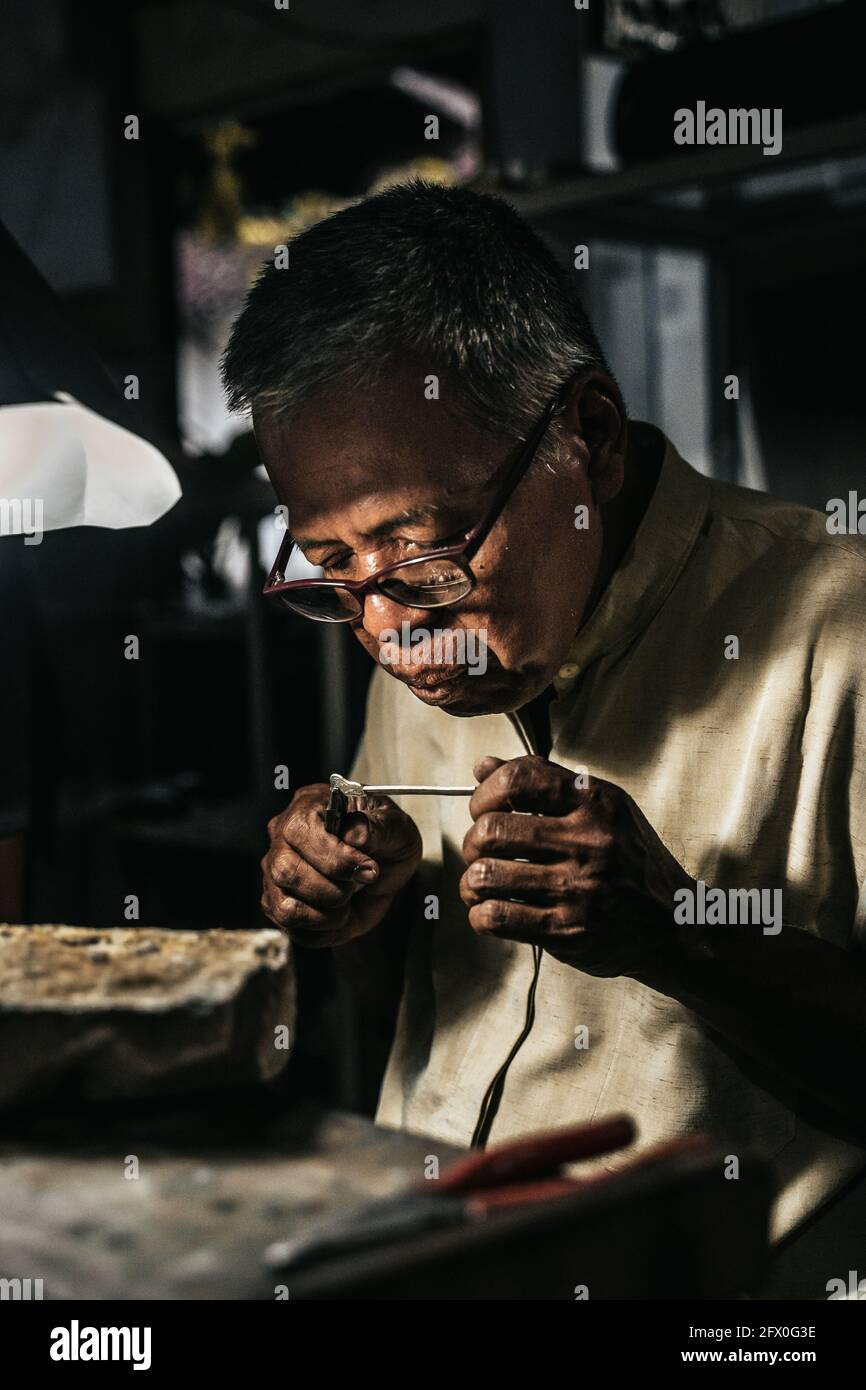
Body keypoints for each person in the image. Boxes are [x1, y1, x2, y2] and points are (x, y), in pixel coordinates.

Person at [222, 181, 866, 1246]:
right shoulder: (417, 636)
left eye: (425, 551)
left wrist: (677, 940)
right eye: (332, 569)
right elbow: (404, 1024)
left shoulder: (840, 633)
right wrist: (361, 920)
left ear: (590, 438)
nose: (387, 635)